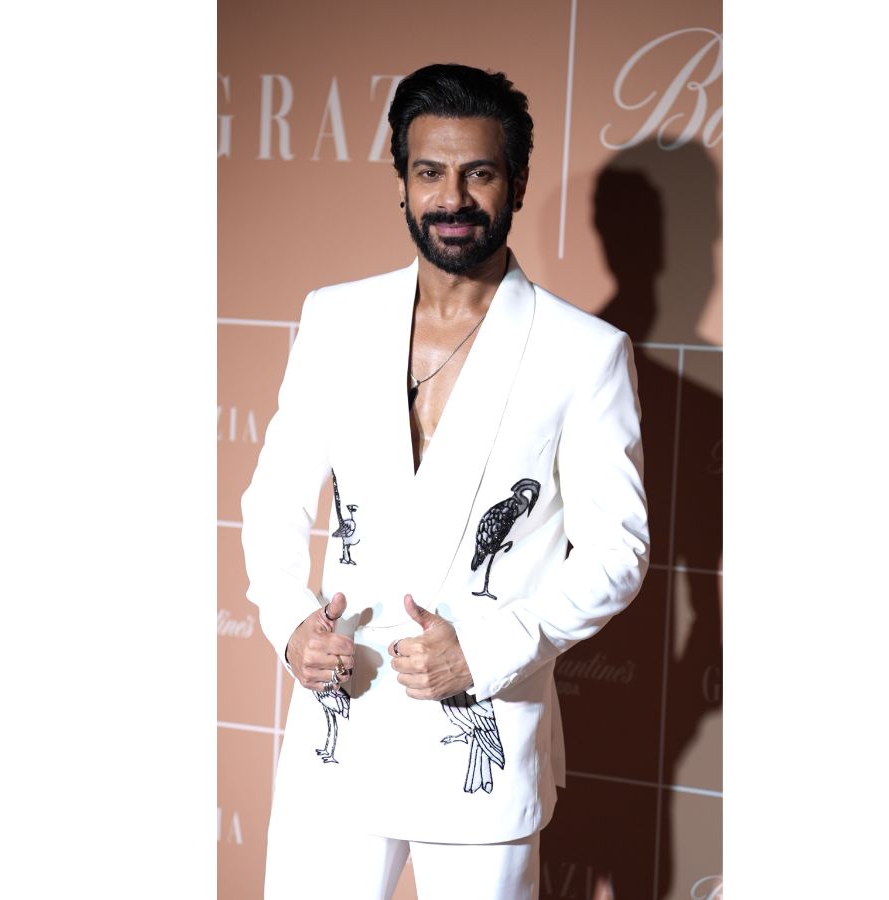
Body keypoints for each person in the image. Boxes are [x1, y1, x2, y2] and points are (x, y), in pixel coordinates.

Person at [241, 63, 649, 900]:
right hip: (338, 724)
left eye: (479, 173)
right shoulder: (335, 318)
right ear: (401, 181)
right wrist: (289, 625)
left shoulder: (585, 353)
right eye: (429, 172)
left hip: (478, 744)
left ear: (517, 183)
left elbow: (619, 552)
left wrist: (485, 654)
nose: (452, 198)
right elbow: (273, 499)